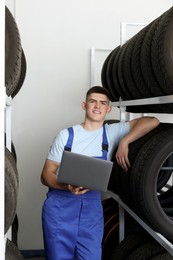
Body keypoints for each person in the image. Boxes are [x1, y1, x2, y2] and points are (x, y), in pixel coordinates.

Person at [40, 86, 160, 260]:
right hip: (60, 210)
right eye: (93, 101)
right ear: (84, 105)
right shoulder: (66, 136)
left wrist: (125, 141)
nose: (97, 106)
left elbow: (153, 121)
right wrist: (66, 186)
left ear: (108, 109)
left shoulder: (112, 133)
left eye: (102, 103)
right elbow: (46, 174)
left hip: (91, 212)